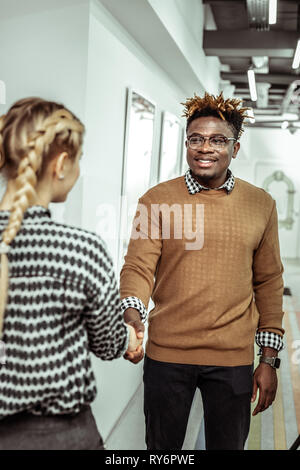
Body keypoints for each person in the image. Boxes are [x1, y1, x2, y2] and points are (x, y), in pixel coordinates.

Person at [120, 92, 285, 450]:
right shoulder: (156, 199)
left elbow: (269, 281)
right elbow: (137, 266)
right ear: (186, 144)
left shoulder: (261, 203)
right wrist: (133, 315)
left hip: (232, 358)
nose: (204, 148)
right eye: (195, 139)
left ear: (235, 148)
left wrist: (269, 359)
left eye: (217, 140)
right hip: (168, 355)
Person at [0, 97, 142, 450]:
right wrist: (130, 338)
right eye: (79, 160)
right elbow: (108, 343)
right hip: (59, 437)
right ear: (61, 164)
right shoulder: (80, 250)